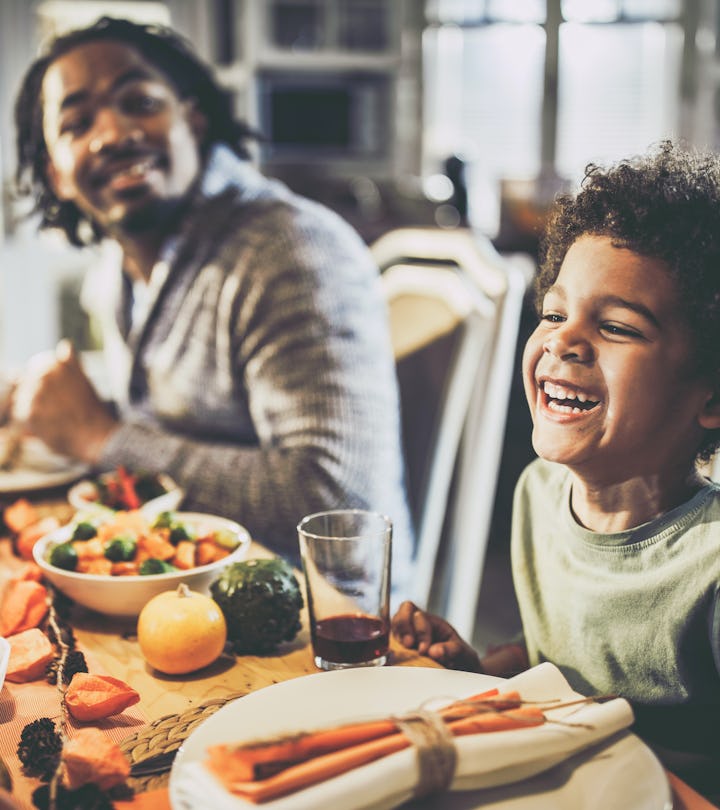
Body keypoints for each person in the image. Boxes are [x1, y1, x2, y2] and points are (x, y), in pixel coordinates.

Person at [11, 16, 413, 587]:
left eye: (139, 101)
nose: (112, 134)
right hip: (184, 590)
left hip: (318, 625)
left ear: (192, 118)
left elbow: (338, 503)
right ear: (56, 174)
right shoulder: (116, 269)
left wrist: (99, 436)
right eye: (77, 123)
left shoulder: (288, 253)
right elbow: (167, 421)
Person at [393, 140, 720, 797]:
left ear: (709, 394)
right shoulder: (539, 493)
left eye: (619, 328)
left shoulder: (708, 570)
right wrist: (484, 669)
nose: (564, 340)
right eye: (553, 313)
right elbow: (558, 658)